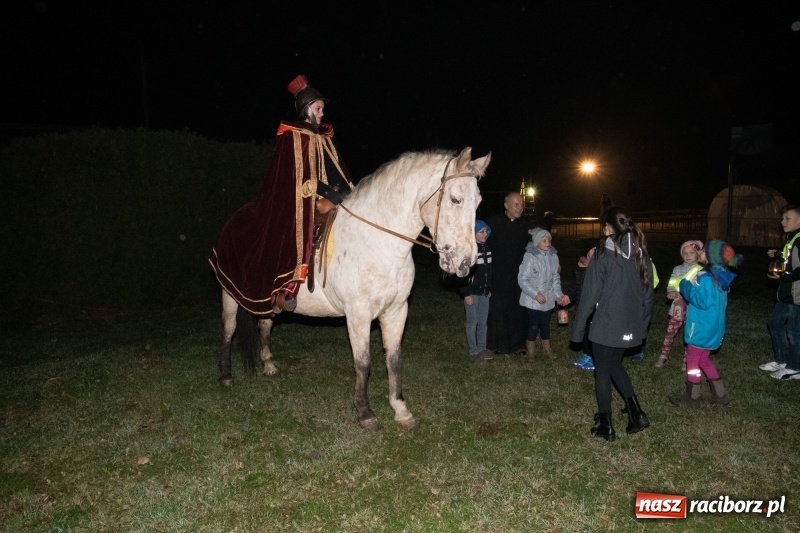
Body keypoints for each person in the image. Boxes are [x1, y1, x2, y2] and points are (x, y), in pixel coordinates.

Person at [209, 75, 355, 315]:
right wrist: (326, 191)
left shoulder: (324, 139)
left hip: (325, 199)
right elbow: (294, 177)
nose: (322, 114)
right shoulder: (292, 137)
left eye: (322, 109)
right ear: (306, 109)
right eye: (318, 109)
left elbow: (336, 171)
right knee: (294, 229)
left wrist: (346, 190)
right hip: (297, 199)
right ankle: (284, 288)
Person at [570, 206, 653, 442]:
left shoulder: (603, 253)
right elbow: (648, 295)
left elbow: (589, 295)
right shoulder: (641, 253)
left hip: (606, 325)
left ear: (608, 227)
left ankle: (606, 424)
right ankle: (637, 414)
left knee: (603, 372)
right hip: (630, 325)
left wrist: (577, 331)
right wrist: (642, 328)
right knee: (614, 364)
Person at [669, 239, 743, 405]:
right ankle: (720, 395)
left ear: (709, 257)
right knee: (704, 360)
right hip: (713, 327)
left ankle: (693, 396)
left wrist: (685, 286)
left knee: (692, 360)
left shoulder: (706, 278)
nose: (700, 252)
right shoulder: (721, 278)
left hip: (701, 328)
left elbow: (702, 301)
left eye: (703, 251)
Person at [486, 192, 533, 354]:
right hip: (498, 275)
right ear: (506, 206)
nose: (520, 208)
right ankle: (497, 345)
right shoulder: (492, 224)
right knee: (498, 310)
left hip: (519, 275)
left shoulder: (525, 226)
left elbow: (536, 248)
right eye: (516, 204)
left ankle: (518, 344)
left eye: (522, 204)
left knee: (518, 309)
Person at [759, 204, 800, 380]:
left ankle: (795, 368)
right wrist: (778, 254)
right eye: (782, 218)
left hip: (797, 294)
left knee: (794, 332)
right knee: (775, 322)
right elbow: (791, 260)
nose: (782, 222)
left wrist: (783, 276)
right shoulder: (793, 238)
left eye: (787, 218)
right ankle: (782, 360)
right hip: (786, 293)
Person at [518, 228, 569, 361]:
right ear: (536, 242)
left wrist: (558, 295)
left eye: (549, 240)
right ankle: (531, 349)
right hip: (533, 301)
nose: (548, 243)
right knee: (534, 325)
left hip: (548, 300)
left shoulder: (553, 257)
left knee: (545, 325)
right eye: (544, 240)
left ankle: (547, 348)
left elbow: (555, 279)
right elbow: (523, 279)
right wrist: (535, 294)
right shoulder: (530, 257)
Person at [655, 240, 704, 369]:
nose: (688, 255)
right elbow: (671, 283)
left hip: (693, 307)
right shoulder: (677, 269)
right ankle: (663, 355)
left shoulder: (701, 271)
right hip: (678, 306)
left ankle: (687, 360)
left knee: (690, 334)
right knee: (670, 331)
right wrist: (671, 291)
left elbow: (701, 290)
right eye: (685, 253)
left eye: (691, 253)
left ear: (698, 254)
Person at [462, 220, 494, 362]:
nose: (485, 234)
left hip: (484, 292)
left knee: (483, 322)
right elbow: (462, 274)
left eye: (486, 231)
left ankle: (482, 348)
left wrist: (489, 287)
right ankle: (474, 351)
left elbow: (489, 271)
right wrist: (466, 293)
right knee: (472, 322)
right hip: (472, 293)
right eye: (481, 232)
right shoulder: (469, 250)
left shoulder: (487, 249)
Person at [566, 245, 596, 370]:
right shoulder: (580, 270)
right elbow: (575, 287)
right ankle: (586, 354)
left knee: (592, 334)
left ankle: (593, 357)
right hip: (582, 308)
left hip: (595, 309)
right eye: (590, 256)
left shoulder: (600, 272)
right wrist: (568, 297)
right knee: (582, 331)